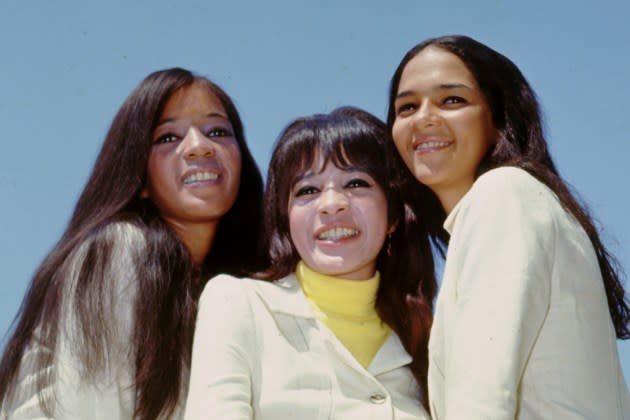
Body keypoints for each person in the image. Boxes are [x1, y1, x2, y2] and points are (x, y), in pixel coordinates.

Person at [387, 34, 630, 419]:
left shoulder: (503, 195)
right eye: (407, 107)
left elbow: (481, 401)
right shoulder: (511, 206)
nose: (424, 117)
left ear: (499, 117)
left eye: (453, 100)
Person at [0, 68, 264, 419]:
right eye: (168, 137)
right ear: (138, 177)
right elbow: (94, 408)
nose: (199, 147)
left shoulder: (230, 291)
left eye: (217, 131)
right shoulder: (118, 250)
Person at [184, 107, 437, 419]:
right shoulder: (239, 303)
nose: (332, 204)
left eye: (356, 183)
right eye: (307, 190)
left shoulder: (428, 342)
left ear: (394, 216)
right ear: (285, 217)